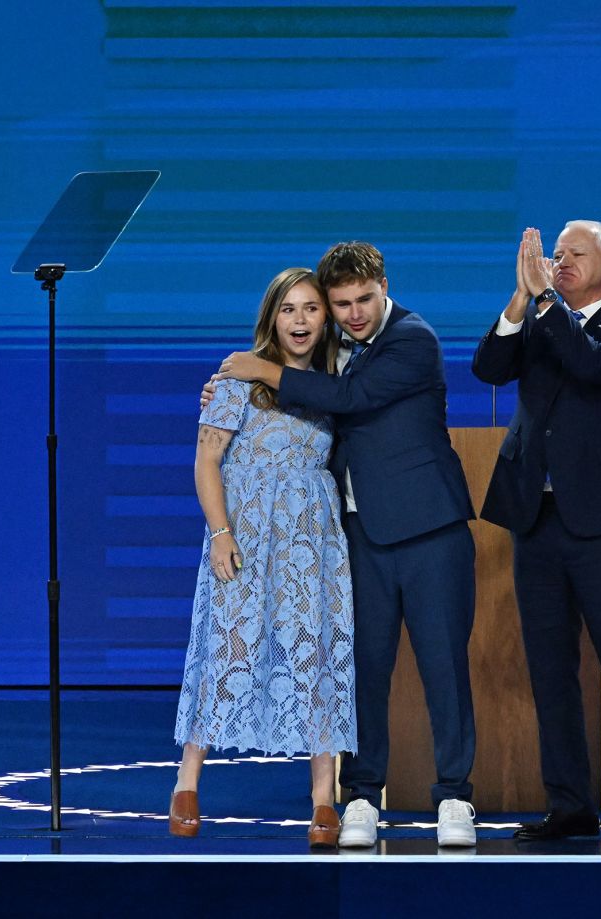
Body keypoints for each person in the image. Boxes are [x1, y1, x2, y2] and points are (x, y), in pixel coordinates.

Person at [211, 241, 479, 848]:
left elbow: (352, 401)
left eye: (364, 299)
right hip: (357, 535)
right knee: (361, 670)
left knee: (444, 667)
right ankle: (362, 794)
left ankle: (455, 796)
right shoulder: (330, 355)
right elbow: (303, 403)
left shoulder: (413, 339)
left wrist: (264, 370)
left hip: (430, 530)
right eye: (341, 304)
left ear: (384, 285)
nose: (355, 313)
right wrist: (229, 392)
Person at [471, 222, 601, 844]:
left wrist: (547, 304)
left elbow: (591, 368)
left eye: (574, 254)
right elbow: (488, 368)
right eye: (555, 255)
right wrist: (518, 300)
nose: (560, 263)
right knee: (549, 669)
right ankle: (571, 805)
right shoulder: (537, 320)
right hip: (539, 519)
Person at [171, 267, 356, 850]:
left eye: (310, 309)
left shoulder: (334, 385)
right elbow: (207, 462)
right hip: (244, 536)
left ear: (325, 318)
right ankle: (187, 783)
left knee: (316, 651)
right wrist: (221, 531)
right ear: (271, 317)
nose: (300, 321)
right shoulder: (234, 382)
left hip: (311, 541)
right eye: (289, 310)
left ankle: (323, 799)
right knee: (227, 645)